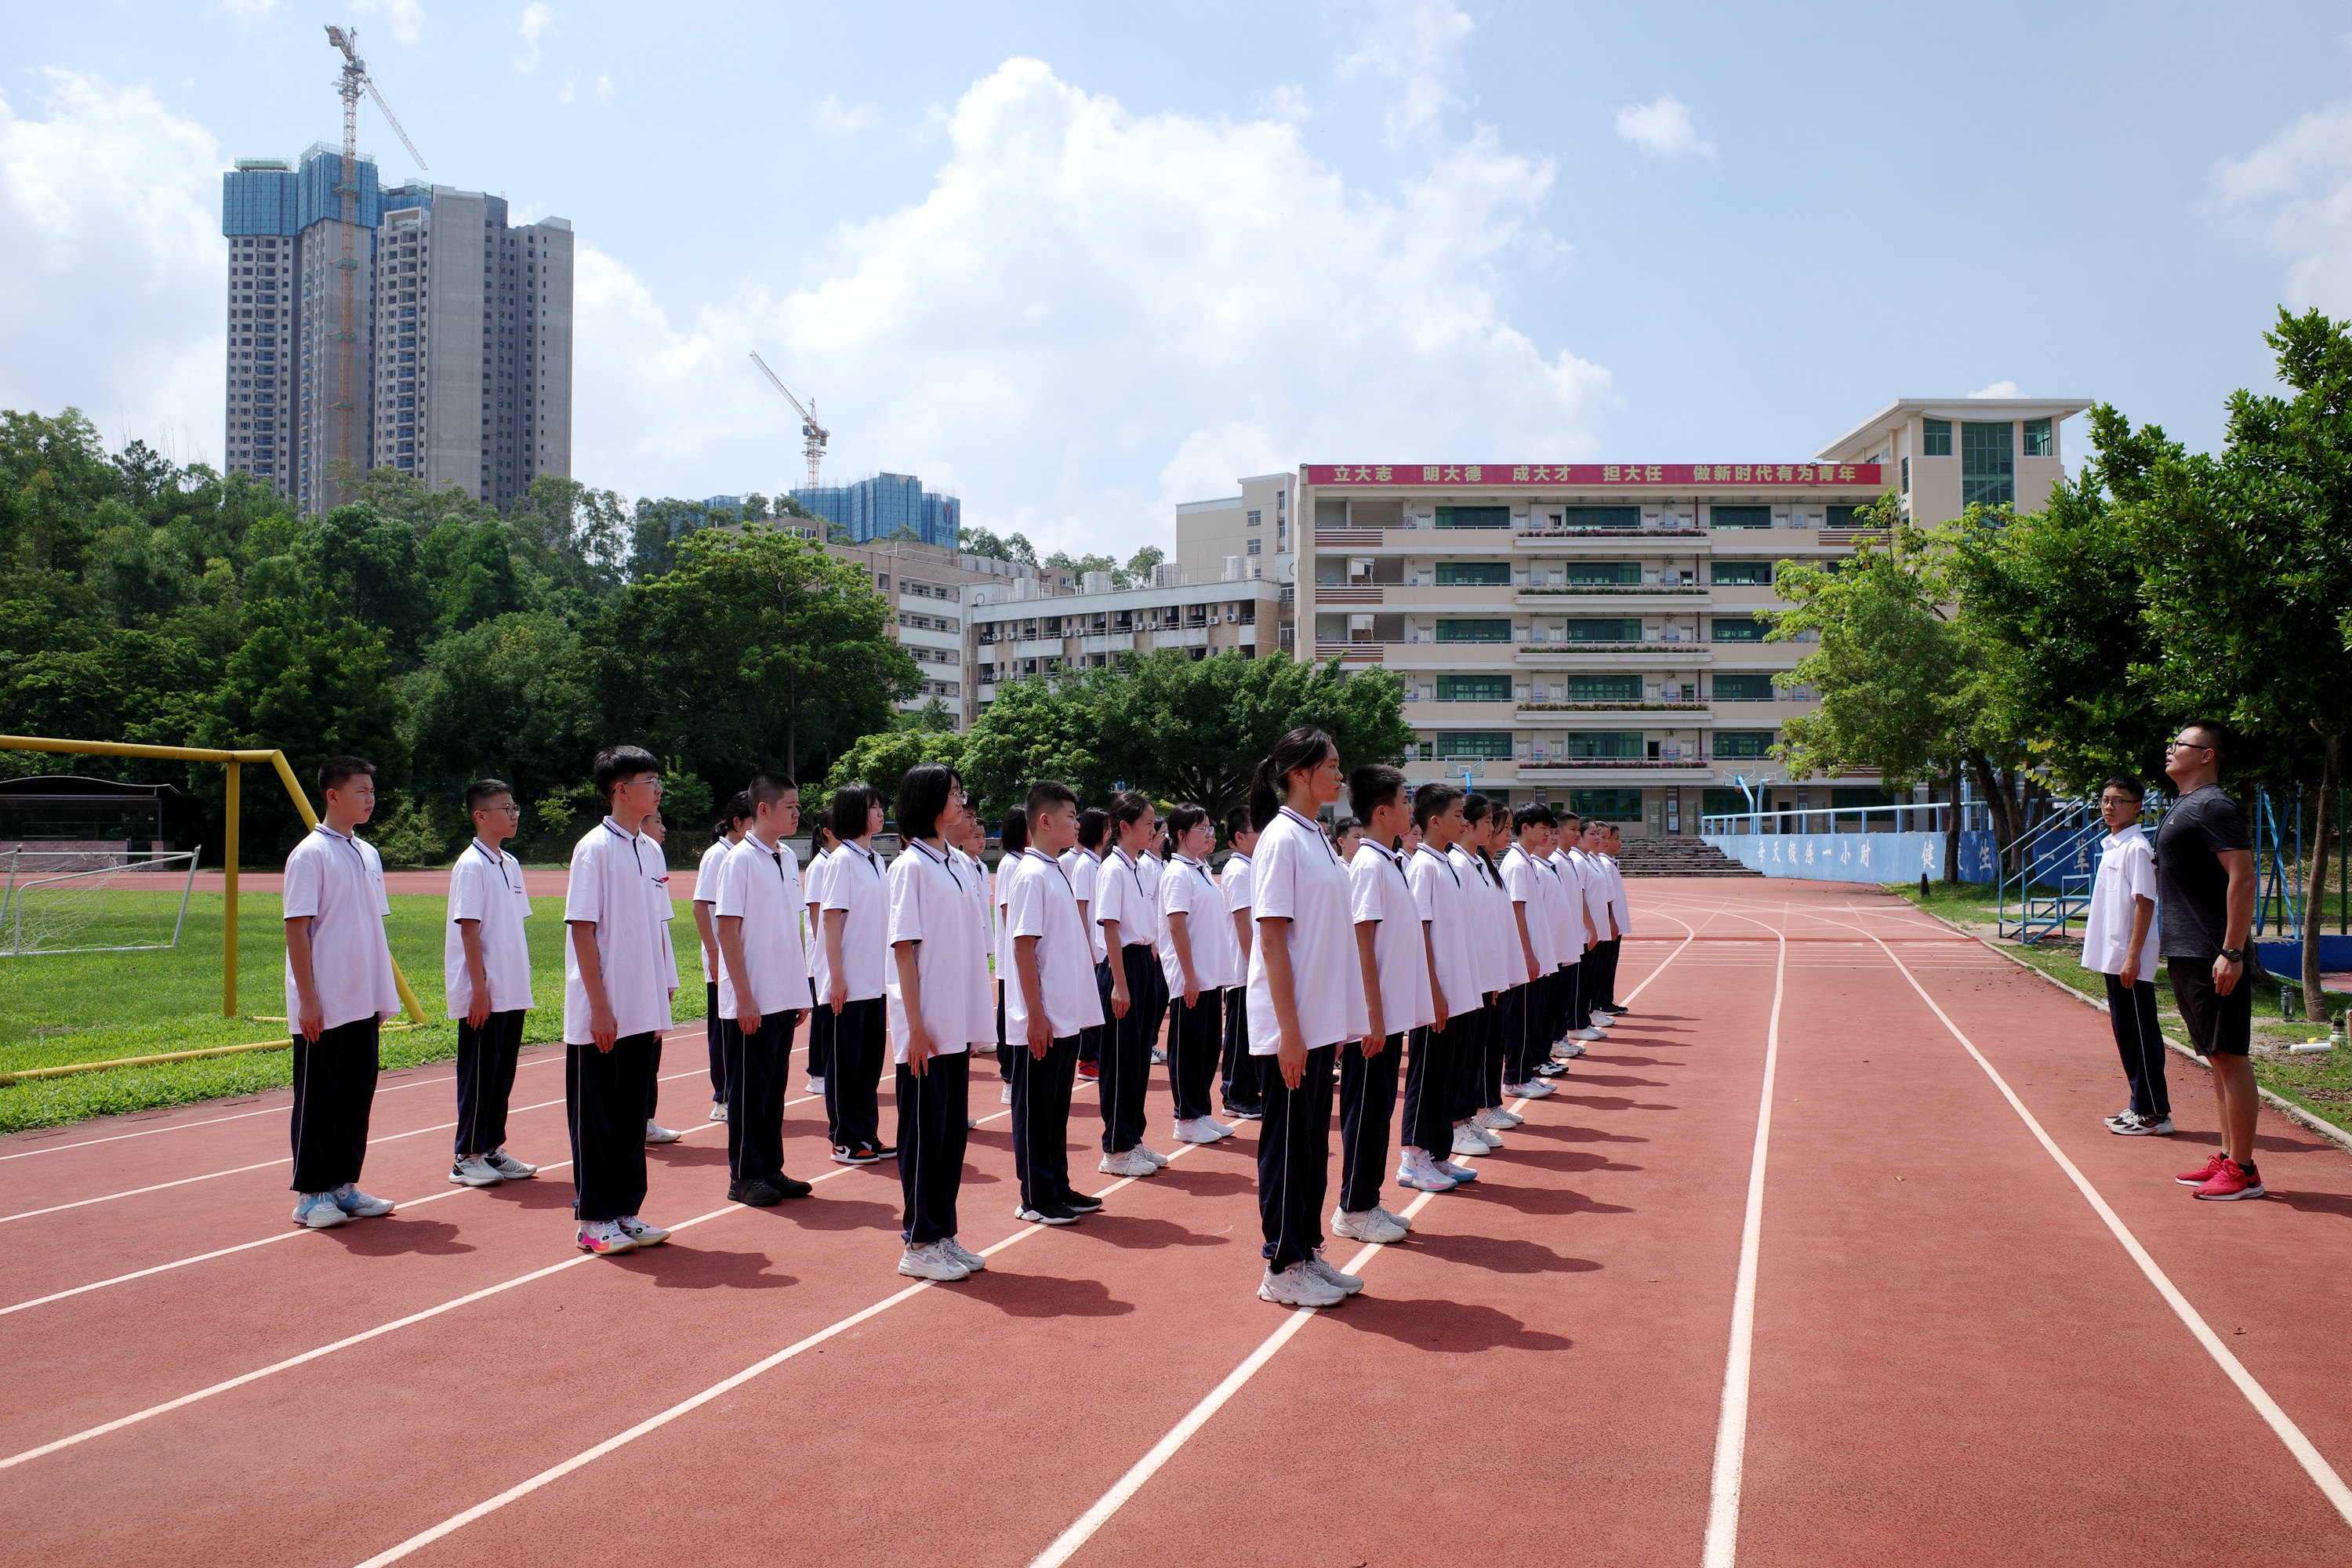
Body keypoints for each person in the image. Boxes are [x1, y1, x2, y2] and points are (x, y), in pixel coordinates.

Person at [1247, 727, 1371, 1306]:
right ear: (1300, 773)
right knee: (1288, 1145)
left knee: (1312, 1146)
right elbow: (1272, 939)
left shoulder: (1315, 834)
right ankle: (1281, 1265)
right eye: (1332, 766)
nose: (1341, 775)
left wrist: (1334, 1022)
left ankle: (1305, 1248)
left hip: (1319, 1019)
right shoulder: (1280, 839)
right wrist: (1291, 1032)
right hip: (1292, 1023)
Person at [562, 746, 677, 1256]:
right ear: (621, 790)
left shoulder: (650, 850)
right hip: (604, 1009)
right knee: (598, 1119)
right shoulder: (593, 849)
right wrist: (599, 1005)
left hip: (642, 1005)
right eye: (650, 781)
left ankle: (626, 1210)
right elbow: (582, 929)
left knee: (632, 1116)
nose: (659, 789)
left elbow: (658, 927)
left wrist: (662, 992)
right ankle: (594, 1219)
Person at [283, 756, 401, 1230]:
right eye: (361, 791)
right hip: (326, 1002)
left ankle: (343, 1185)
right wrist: (308, 999)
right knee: (319, 1098)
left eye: (372, 791)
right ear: (333, 795)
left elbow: (369, 926)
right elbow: (297, 929)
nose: (371, 799)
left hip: (362, 998)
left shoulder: (367, 852)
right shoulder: (309, 854)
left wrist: (380, 992)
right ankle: (311, 1194)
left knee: (356, 1095)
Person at [886, 764, 993, 1280]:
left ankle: (943, 1233)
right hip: (927, 1026)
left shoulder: (955, 862)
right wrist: (915, 1025)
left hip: (955, 1022)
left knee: (950, 1136)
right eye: (953, 793)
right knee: (924, 1137)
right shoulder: (910, 867)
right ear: (929, 800)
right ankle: (919, 1242)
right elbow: (903, 949)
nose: (961, 800)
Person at [2158, 725, 2263, 1200]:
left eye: (2179, 744)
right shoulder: (2186, 804)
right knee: (2216, 1059)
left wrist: (2232, 950)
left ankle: (2243, 1171)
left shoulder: (2214, 805)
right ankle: (2227, 1157)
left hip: (2211, 951)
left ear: (2206, 755)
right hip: (2187, 950)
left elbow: (2243, 876)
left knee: (2229, 1056)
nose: (2170, 749)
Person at [1004, 781, 1107, 1225]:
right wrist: (1035, 1015)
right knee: (1035, 1108)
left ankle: (1057, 1185)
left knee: (1055, 1108)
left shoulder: (1056, 869)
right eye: (1070, 815)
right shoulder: (1030, 874)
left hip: (1065, 1014)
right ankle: (1035, 1196)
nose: (1077, 823)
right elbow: (1023, 947)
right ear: (1045, 821)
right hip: (1044, 1016)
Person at [713, 773, 815, 1207]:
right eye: (790, 806)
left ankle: (770, 1169)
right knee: (748, 1093)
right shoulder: (739, 860)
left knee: (773, 1091)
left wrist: (798, 992)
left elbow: (788, 928)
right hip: (752, 998)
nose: (797, 813)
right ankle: (744, 1176)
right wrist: (744, 997)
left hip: (782, 994)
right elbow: (726, 929)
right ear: (763, 809)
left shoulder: (787, 857)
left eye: (797, 806)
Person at [1338, 764, 1426, 1245]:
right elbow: (1362, 942)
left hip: (1388, 1014)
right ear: (1382, 811)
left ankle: (1367, 1200)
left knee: (1378, 1111)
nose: (1411, 809)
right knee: (1366, 1114)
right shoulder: (1369, 866)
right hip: (1375, 1017)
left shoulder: (1387, 861)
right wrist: (1371, 1015)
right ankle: (1354, 1208)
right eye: (1404, 801)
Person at [445, 777, 539, 1189]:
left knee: (501, 1075)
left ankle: (492, 1147)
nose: (514, 814)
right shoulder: (471, 865)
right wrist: (478, 990)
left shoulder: (509, 863)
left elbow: (511, 925)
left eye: (515, 807)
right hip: (484, 991)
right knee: (479, 1075)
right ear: (480, 816)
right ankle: (466, 1156)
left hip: (511, 987)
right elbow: (469, 929)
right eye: (506, 808)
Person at [1403, 783, 1481, 1192]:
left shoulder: (1447, 863)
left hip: (1460, 990)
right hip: (1438, 993)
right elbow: (1420, 930)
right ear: (1435, 821)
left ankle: (1437, 1154)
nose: (1464, 822)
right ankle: (1413, 1158)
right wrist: (1433, 990)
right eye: (1457, 814)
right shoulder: (1423, 867)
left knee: (1449, 1074)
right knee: (1429, 1076)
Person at [2082, 777, 2169, 1137]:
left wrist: (2132, 957)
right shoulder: (2113, 846)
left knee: (2140, 1033)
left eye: (2118, 801)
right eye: (2105, 800)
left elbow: (2145, 903)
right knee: (2127, 1032)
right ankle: (2139, 1103)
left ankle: (2154, 1113)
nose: (2109, 807)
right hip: (2113, 955)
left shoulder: (2136, 848)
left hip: (2127, 958)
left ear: (2137, 807)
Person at [1094, 791, 1167, 1177]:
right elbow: (1110, 927)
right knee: (1121, 1062)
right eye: (1147, 824)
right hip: (1122, 965)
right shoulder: (1113, 869)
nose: (1153, 830)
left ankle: (1133, 1138)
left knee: (1139, 1059)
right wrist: (1120, 986)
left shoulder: (1141, 867)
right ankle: (1116, 1149)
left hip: (1143, 962)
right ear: (1124, 826)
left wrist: (1151, 953)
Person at [822, 782, 892, 1164]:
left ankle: (867, 1133)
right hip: (849, 982)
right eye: (873, 807)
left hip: (875, 981)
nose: (881, 813)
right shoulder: (842, 860)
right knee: (845, 1066)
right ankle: (844, 1139)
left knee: (868, 1066)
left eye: (881, 806)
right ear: (853, 812)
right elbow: (831, 920)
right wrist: (836, 977)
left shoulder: (876, 860)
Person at [1159, 803, 1237, 1145]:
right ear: (1181, 834)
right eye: (1202, 828)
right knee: (1188, 1049)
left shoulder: (1200, 868)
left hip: (1210, 973)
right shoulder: (1178, 872)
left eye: (1210, 827)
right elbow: (1177, 926)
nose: (1209, 834)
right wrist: (1189, 975)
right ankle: (1186, 1117)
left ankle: (1201, 1112)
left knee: (1207, 1048)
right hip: (1191, 975)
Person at [1449, 795, 1512, 1156]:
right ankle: (1456, 1124)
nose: (1492, 828)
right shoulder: (1458, 863)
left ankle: (1468, 1117)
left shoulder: (1479, 863)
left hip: (1485, 976)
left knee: (1476, 1053)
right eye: (1487, 821)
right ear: (1467, 825)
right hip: (1470, 977)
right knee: (1464, 1055)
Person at [1496, 804, 1561, 1113]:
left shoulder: (1527, 862)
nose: (1548, 834)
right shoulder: (1516, 864)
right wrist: (1527, 953)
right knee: (1520, 1018)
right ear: (1526, 828)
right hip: (1524, 957)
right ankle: (1515, 1078)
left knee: (1530, 1016)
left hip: (1533, 954)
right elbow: (1516, 909)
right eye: (1543, 828)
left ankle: (1525, 1073)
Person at [693, 791, 753, 1123]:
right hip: (723, 958)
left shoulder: (752, 855)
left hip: (745, 957)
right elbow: (700, 906)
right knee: (722, 1029)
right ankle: (723, 1098)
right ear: (737, 823)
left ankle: (741, 1094)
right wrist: (714, 954)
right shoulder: (717, 855)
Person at [637, 809, 686, 1145]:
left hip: (654, 970)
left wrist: (666, 976)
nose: (663, 828)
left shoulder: (653, 853)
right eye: (657, 821)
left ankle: (645, 1118)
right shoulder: (600, 849)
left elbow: (662, 923)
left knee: (651, 1055)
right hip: (632, 977)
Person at [1218, 805, 1265, 1122]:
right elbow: (1242, 921)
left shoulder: (1252, 866)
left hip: (1255, 967)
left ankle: (1248, 1091)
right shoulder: (1237, 870)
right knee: (1240, 1034)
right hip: (1244, 969)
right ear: (1239, 837)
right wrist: (1253, 964)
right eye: (1256, 830)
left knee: (1252, 1032)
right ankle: (1235, 1094)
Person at [1062, 807, 1111, 1079]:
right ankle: (1087, 1060)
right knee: (1092, 1006)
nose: (1111, 833)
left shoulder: (1100, 863)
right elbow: (1080, 909)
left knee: (1101, 1006)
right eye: (1107, 828)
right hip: (1093, 948)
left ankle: (1096, 1056)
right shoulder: (1084, 865)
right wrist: (1086, 948)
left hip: (1102, 948)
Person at [993, 806, 1028, 1102]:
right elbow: (1007, 911)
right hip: (1012, 957)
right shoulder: (1009, 864)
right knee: (1008, 1018)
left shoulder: (1025, 861)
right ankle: (1009, 1078)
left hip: (1021, 958)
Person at [803, 818, 839, 1094]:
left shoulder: (840, 861)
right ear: (827, 831)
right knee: (822, 1017)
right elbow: (817, 914)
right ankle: (817, 1074)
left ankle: (829, 1071)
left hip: (833, 955)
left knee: (830, 1017)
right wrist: (826, 956)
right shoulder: (819, 866)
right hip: (821, 958)